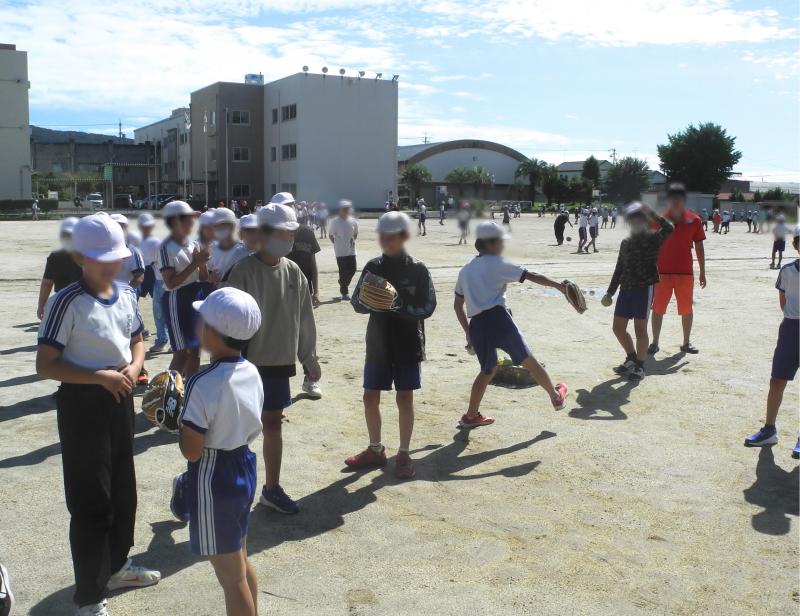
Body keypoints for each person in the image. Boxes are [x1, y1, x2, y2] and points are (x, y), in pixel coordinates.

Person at [36, 212, 160, 616]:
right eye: (100, 258)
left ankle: (117, 565)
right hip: (82, 404)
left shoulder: (125, 294)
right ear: (79, 258)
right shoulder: (66, 301)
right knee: (91, 499)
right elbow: (46, 364)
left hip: (119, 397)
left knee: (123, 489)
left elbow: (137, 338)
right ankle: (88, 596)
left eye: (115, 257)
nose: (111, 265)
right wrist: (97, 377)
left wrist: (135, 365)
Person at [170, 287, 263, 616]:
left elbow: (192, 451)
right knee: (240, 562)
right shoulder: (251, 371)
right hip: (243, 465)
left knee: (231, 578)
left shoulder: (201, 382)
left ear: (212, 332)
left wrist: (176, 423)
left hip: (214, 476)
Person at [224, 203, 320, 515]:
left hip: (279, 363)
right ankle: (225, 489)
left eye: (292, 233)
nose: (289, 238)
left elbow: (305, 318)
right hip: (244, 365)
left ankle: (272, 488)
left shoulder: (294, 272)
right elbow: (225, 322)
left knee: (273, 426)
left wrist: (309, 358)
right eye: (283, 233)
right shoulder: (242, 272)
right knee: (236, 431)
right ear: (263, 234)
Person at [345, 212, 437, 479]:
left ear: (405, 236)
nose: (386, 241)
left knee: (404, 398)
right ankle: (375, 449)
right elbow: (356, 302)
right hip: (378, 342)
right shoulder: (373, 267)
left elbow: (429, 306)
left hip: (408, 343)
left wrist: (398, 305)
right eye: (382, 236)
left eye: (391, 236)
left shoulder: (418, 269)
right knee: (370, 397)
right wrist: (371, 302)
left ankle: (404, 453)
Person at [453, 222, 570, 428]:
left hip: (477, 324)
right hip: (499, 319)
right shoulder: (497, 263)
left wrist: (468, 332)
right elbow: (532, 276)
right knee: (528, 360)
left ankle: (470, 416)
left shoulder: (465, 270)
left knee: (487, 371)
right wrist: (559, 287)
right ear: (491, 243)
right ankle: (555, 396)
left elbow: (457, 305)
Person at [744, 226, 800, 459]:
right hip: (790, 329)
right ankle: (769, 430)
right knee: (777, 380)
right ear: (796, 245)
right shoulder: (787, 271)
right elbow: (783, 300)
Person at [602, 203, 673, 380]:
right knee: (618, 328)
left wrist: (652, 212)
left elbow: (669, 228)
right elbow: (619, 268)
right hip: (625, 289)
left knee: (640, 330)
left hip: (643, 289)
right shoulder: (625, 243)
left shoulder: (653, 239)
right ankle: (631, 357)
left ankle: (640, 367)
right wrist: (610, 292)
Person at [649, 183, 707, 355]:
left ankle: (686, 342)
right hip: (661, 273)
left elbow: (699, 247)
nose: (675, 202)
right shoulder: (659, 220)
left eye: (678, 198)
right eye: (672, 198)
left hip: (685, 273)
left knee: (686, 309)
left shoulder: (695, 220)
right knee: (658, 308)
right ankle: (655, 342)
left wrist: (702, 272)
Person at [159, 200, 210, 377]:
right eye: (189, 218)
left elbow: (203, 277)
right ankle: (168, 391)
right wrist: (196, 263)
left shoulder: (193, 244)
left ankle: (189, 388)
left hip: (195, 295)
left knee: (195, 350)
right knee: (181, 353)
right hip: (176, 298)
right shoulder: (166, 246)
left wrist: (202, 263)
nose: (192, 222)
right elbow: (170, 283)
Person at [284, 195, 324, 400]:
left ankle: (310, 379)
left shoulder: (307, 232)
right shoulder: (273, 234)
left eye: (290, 205)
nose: (289, 209)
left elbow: (312, 264)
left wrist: (316, 291)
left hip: (303, 293)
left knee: (307, 337)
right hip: (281, 294)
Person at [37, 217, 82, 320]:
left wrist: (41, 306)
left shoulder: (55, 256)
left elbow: (47, 283)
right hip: (79, 302)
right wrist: (41, 306)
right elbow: (47, 283)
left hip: (64, 302)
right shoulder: (89, 255)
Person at [138, 213, 169, 354]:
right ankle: (167, 340)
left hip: (159, 279)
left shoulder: (154, 242)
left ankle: (163, 340)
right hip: (157, 277)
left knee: (160, 312)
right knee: (163, 312)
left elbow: (148, 262)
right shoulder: (147, 241)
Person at [328, 199, 359, 299]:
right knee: (343, 271)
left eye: (348, 208)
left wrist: (352, 241)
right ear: (340, 209)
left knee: (353, 269)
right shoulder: (335, 222)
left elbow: (355, 233)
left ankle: (342, 282)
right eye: (344, 208)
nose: (346, 210)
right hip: (340, 251)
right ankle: (344, 292)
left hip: (351, 250)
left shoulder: (352, 221)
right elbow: (331, 235)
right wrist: (336, 244)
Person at [208, 207, 248, 285]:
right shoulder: (211, 248)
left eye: (224, 224)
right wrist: (209, 278)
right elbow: (207, 273)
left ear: (233, 225)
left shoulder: (245, 249)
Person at [110, 214, 145, 288]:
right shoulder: (97, 249)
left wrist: (126, 291)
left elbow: (139, 276)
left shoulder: (133, 251)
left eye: (121, 226)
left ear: (125, 228)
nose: (117, 229)